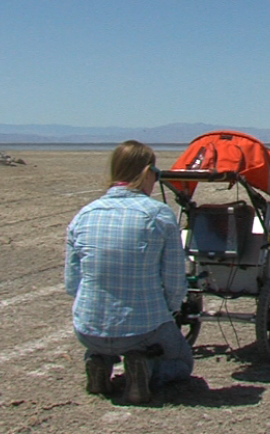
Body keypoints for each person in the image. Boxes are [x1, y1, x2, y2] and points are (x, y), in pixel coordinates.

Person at [65, 140, 193, 404]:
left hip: (88, 328)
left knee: (107, 340)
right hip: (143, 328)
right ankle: (147, 370)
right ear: (148, 173)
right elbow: (174, 283)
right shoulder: (158, 215)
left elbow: (72, 284)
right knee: (182, 362)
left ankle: (98, 361)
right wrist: (169, 312)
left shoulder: (84, 215)